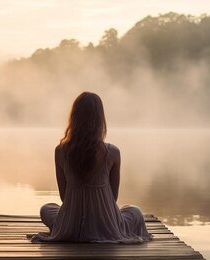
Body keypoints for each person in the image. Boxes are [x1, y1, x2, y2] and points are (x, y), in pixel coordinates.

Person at [30, 92, 152, 243]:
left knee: (46, 209)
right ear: (101, 119)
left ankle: (72, 226)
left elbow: (64, 196)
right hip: (106, 224)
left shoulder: (60, 151)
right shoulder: (112, 152)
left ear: (74, 119)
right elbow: (113, 198)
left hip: (72, 225)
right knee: (134, 211)